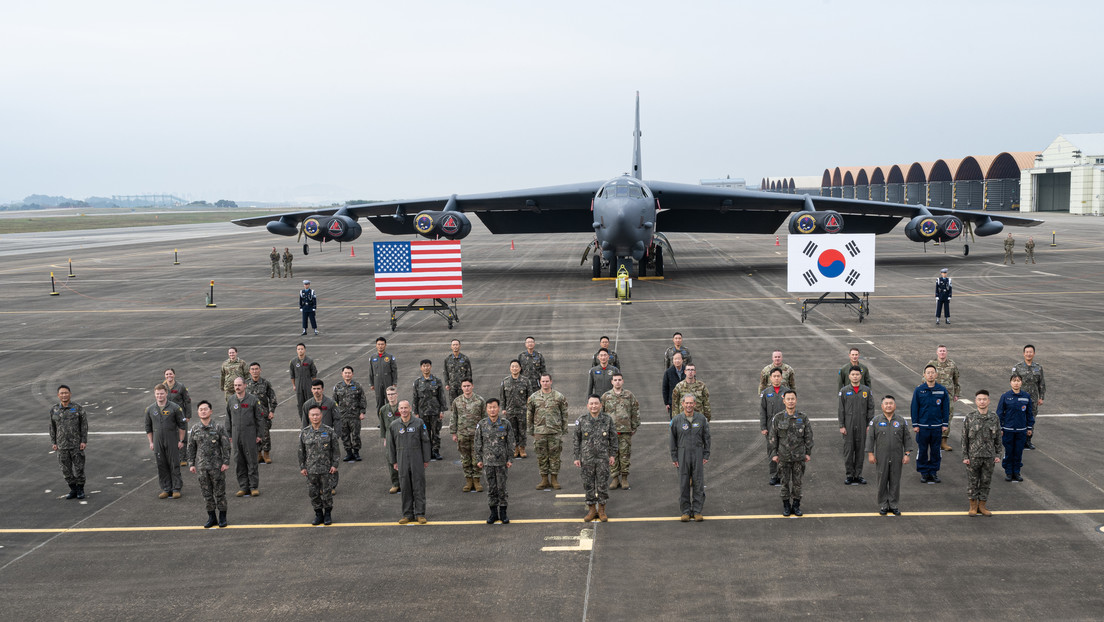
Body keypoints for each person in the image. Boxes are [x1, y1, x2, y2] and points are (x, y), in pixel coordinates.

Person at [866, 395, 914, 515]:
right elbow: (870, 439)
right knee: (882, 480)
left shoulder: (901, 421)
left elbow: (907, 439)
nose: (888, 406)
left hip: (897, 456)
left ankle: (893, 504)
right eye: (886, 403)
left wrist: (907, 454)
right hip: (881, 456)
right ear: (882, 406)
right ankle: (883, 504)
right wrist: (870, 454)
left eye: (891, 403)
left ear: (895, 405)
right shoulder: (875, 421)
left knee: (895, 480)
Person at [769, 390, 814, 517]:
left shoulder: (802, 417)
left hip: (799, 457)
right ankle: (786, 505)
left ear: (796, 400)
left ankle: (796, 505)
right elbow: (773, 438)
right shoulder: (778, 418)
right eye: (788, 399)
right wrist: (774, 454)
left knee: (797, 482)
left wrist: (808, 452)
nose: (790, 401)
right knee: (784, 482)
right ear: (784, 401)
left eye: (792, 399)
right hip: (783, 456)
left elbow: (808, 436)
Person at [187, 400, 230, 528]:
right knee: (206, 493)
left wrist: (226, 462)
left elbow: (226, 446)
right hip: (202, 467)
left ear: (210, 411)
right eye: (201, 409)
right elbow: (191, 447)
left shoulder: (218, 427)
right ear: (198, 412)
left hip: (217, 467)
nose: (203, 411)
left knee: (220, 492)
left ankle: (222, 516)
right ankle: (211, 517)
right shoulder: (195, 429)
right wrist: (191, 463)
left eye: (205, 409)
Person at [574, 395, 617, 522]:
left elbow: (613, 438)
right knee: (588, 485)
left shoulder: (607, 420)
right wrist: (576, 457)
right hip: (587, 459)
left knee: (602, 484)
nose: (594, 406)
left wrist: (612, 454)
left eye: (596, 403)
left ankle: (602, 510)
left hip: (603, 459)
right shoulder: (581, 420)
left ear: (600, 405)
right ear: (587, 406)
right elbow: (576, 439)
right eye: (591, 404)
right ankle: (592, 509)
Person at [388, 400, 431, 524]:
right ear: (399, 410)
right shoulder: (394, 425)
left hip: (416, 458)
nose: (403, 410)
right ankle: (407, 514)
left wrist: (426, 459)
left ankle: (420, 514)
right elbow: (390, 445)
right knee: (405, 486)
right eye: (401, 408)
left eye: (405, 408)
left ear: (410, 408)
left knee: (419, 486)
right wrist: (394, 461)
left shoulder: (419, 423)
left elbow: (426, 441)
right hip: (401, 459)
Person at [670, 394, 710, 522]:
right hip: (682, 454)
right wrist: (674, 457)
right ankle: (686, 511)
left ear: (695, 404)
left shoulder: (701, 419)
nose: (688, 405)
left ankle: (697, 511)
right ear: (682, 404)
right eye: (686, 403)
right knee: (684, 483)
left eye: (691, 403)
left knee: (698, 482)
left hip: (697, 453)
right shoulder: (676, 420)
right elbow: (672, 440)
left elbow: (707, 438)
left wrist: (706, 454)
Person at [962, 389, 1002, 517]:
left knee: (986, 482)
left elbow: (998, 438)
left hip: (989, 456)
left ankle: (982, 505)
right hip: (973, 456)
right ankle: (973, 506)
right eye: (979, 399)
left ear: (988, 401)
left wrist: (998, 454)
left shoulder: (994, 417)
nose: (982, 402)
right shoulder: (970, 418)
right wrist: (965, 456)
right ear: (976, 401)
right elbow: (964, 438)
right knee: (972, 482)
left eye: (984, 399)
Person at [475, 398, 515, 524]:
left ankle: (503, 513)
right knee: (491, 489)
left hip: (502, 462)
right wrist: (479, 459)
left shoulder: (505, 423)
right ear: (486, 409)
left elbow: (511, 442)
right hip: (487, 462)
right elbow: (477, 443)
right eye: (490, 407)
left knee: (502, 488)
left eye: (494, 407)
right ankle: (493, 513)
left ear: (498, 408)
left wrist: (510, 458)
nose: (492, 410)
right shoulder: (481, 424)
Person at [527, 373, 569, 491]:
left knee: (555, 456)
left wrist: (564, 428)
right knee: (541, 456)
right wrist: (530, 430)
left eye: (547, 381)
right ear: (540, 382)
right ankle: (544, 479)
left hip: (554, 431)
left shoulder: (559, 397)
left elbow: (564, 413)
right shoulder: (534, 397)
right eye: (543, 381)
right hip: (539, 432)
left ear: (551, 382)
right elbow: (529, 414)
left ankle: (554, 479)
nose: (545, 383)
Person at [144, 383, 187, 499]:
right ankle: (166, 488)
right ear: (154, 394)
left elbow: (182, 425)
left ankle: (176, 488)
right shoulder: (150, 409)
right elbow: (148, 427)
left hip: (172, 439)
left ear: (166, 393)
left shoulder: (175, 408)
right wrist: (151, 442)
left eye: (162, 393)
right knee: (161, 465)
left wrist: (181, 440)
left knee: (174, 464)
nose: (159, 396)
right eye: (157, 394)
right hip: (158, 441)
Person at [299, 405, 339, 526]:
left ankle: (327, 514)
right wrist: (302, 467)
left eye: (317, 414)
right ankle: (318, 514)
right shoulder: (305, 433)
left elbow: (335, 450)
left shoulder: (329, 431)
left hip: (326, 469)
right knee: (313, 493)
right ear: (309, 416)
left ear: (321, 416)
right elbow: (301, 451)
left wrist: (335, 465)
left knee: (327, 492)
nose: (315, 417)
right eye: (312, 415)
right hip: (311, 469)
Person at [911, 365, 950, 484]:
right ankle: (924, 472)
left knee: (935, 451)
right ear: (924, 375)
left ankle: (933, 472)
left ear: (936, 374)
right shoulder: (919, 390)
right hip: (922, 427)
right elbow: (914, 407)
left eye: (932, 372)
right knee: (922, 450)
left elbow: (946, 408)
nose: (930, 375)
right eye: (928, 373)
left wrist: (945, 423)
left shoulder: (942, 390)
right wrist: (915, 424)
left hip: (937, 427)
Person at [227, 377, 265, 497]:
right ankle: (243, 487)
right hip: (236, 434)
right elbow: (228, 418)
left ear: (244, 386)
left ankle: (253, 486)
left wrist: (259, 434)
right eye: (235, 385)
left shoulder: (253, 400)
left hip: (250, 434)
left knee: (252, 461)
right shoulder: (231, 400)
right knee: (239, 461)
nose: (237, 387)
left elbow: (259, 418)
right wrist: (229, 434)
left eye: (239, 385)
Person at [601, 372, 640, 490]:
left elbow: (635, 410)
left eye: (619, 380)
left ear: (622, 381)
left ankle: (624, 478)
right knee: (612, 455)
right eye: (615, 380)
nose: (617, 382)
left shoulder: (629, 395)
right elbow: (600, 413)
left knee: (624, 454)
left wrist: (634, 426)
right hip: (610, 432)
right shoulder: (606, 396)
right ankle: (614, 478)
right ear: (612, 382)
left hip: (625, 431)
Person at [50, 384, 88, 500]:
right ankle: (73, 489)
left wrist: (83, 440)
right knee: (65, 470)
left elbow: (84, 426)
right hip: (61, 445)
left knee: (79, 468)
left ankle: (80, 489)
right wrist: (54, 442)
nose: (64, 395)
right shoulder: (54, 410)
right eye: (62, 393)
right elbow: (52, 427)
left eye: (66, 393)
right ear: (58, 395)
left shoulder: (78, 408)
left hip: (76, 445)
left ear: (70, 394)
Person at [838, 366, 874, 485]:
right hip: (848, 424)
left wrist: (869, 424)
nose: (855, 376)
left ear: (861, 376)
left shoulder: (866, 390)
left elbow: (871, 408)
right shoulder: (844, 391)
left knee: (860, 451)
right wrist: (841, 425)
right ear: (849, 376)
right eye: (853, 374)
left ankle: (858, 475)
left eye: (857, 374)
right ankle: (849, 475)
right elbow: (841, 409)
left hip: (862, 424)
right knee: (848, 451)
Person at [997, 374, 1034, 483]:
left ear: (1021, 382)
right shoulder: (1005, 396)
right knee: (1009, 452)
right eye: (1014, 381)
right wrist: (1001, 428)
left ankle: (1016, 472)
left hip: (1021, 430)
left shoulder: (1026, 396)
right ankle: (1008, 472)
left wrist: (1029, 427)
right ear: (1010, 383)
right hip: (1008, 430)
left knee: (1018, 452)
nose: (1016, 383)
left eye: (1018, 381)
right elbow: (1000, 413)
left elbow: (1029, 413)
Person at [450, 380, 487, 493]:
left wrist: (484, 432)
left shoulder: (480, 400)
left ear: (472, 386)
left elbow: (484, 417)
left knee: (477, 458)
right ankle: (468, 481)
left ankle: (477, 480)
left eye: (468, 386)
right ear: (461, 387)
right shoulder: (457, 401)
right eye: (464, 386)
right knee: (465, 459)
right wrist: (453, 432)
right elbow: (454, 416)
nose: (466, 388)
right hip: (462, 434)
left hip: (476, 434)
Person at [412, 358, 447, 461]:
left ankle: (436, 451)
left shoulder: (437, 381)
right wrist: (416, 412)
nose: (426, 368)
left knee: (436, 433)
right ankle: (427, 452)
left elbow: (442, 397)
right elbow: (415, 398)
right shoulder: (417, 382)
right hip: (423, 413)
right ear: (421, 368)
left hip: (435, 412)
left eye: (427, 366)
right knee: (424, 433)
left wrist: (442, 410)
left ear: (430, 367)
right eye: (424, 366)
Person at [759, 367, 789, 486]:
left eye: (778, 376)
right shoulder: (766, 393)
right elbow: (762, 411)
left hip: (784, 426)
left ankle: (783, 475)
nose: (776, 378)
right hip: (770, 427)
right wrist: (763, 427)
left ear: (781, 377)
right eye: (774, 376)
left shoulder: (786, 392)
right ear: (770, 378)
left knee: (784, 451)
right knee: (772, 450)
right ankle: (774, 475)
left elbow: (791, 409)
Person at [927, 345, 961, 451]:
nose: (942, 353)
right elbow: (925, 378)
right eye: (940, 351)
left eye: (944, 351)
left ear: (946, 352)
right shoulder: (931, 364)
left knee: (947, 417)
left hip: (948, 396)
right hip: (934, 395)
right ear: (937, 353)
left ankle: (944, 442)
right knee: (933, 416)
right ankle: (933, 440)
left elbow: (956, 381)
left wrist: (956, 394)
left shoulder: (952, 364)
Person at [1013, 344, 1045, 449]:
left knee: (1031, 419)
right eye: (1027, 352)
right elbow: (1014, 382)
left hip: (1033, 398)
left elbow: (1042, 383)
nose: (1028, 354)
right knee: (1019, 418)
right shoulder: (1017, 367)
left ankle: (1028, 441)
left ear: (1034, 353)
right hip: (1020, 397)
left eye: (1030, 352)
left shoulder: (1038, 367)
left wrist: (1041, 397)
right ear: (1023, 353)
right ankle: (1018, 440)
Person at [333, 365, 367, 463]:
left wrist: (362, 412)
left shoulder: (357, 386)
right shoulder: (338, 387)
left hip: (355, 415)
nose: (347, 375)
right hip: (342, 416)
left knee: (356, 435)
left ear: (352, 374)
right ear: (342, 374)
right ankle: (348, 453)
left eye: (349, 373)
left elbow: (362, 400)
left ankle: (356, 452)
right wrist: (336, 414)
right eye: (345, 373)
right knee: (345, 435)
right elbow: (334, 401)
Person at [245, 362, 277, 464]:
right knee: (253, 435)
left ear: (260, 370)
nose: (255, 371)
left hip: (263, 414)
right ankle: (258, 454)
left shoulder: (265, 383)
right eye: (252, 369)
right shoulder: (246, 384)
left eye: (256, 369)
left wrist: (272, 411)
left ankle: (266, 454)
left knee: (265, 434)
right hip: (250, 415)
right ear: (249, 371)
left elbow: (272, 398)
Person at [500, 359, 532, 458]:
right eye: (512, 366)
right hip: (510, 411)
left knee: (522, 431)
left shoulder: (526, 381)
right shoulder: (505, 381)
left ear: (520, 368)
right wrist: (504, 408)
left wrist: (529, 408)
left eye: (516, 366)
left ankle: (522, 448)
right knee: (512, 431)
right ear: (510, 368)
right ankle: (515, 448)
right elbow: (502, 396)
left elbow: (530, 396)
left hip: (522, 410)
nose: (514, 368)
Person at [163, 368, 192, 467]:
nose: (169, 376)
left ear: (174, 375)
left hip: (180, 415)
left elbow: (187, 401)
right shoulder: (163, 387)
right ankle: (171, 457)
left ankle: (183, 458)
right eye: (167, 374)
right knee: (169, 436)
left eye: (170, 374)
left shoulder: (180, 386)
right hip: (167, 415)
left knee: (182, 436)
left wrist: (188, 415)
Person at [378, 386, 402, 494]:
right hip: (389, 437)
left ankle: (405, 482)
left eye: (392, 394)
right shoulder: (383, 409)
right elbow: (382, 425)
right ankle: (395, 484)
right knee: (391, 460)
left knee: (404, 459)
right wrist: (384, 438)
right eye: (388, 394)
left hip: (402, 436)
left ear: (397, 394)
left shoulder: (402, 407)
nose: (391, 396)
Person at [369, 336, 398, 411]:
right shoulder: (373, 357)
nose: (380, 346)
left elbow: (394, 370)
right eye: (378, 344)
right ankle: (381, 421)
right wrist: (371, 383)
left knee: (390, 401)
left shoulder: (390, 357)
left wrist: (394, 382)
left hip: (388, 381)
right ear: (376, 345)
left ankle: (391, 419)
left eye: (382, 344)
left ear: (385, 345)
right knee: (379, 402)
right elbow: (371, 371)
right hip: (377, 381)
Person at [289, 342, 318, 416]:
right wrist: (294, 385)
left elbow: (313, 373)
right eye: (298, 349)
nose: (300, 350)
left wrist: (314, 385)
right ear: (296, 350)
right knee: (300, 403)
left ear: (305, 350)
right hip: (298, 385)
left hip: (308, 384)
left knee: (310, 402)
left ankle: (311, 419)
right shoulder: (293, 362)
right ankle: (303, 421)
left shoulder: (309, 361)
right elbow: (292, 375)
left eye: (302, 349)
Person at [443, 339, 473, 406]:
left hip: (463, 387)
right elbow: (445, 372)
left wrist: (469, 384)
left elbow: (469, 372)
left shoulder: (465, 358)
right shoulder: (447, 359)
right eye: (454, 345)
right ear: (451, 346)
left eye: (457, 345)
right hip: (452, 387)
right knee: (454, 405)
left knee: (465, 405)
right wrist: (446, 383)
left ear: (459, 346)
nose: (455, 346)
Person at [662, 351, 686, 418]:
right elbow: (665, 388)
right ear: (672, 360)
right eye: (675, 359)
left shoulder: (687, 371)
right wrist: (666, 403)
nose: (677, 361)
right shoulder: (668, 372)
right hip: (673, 403)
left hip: (686, 402)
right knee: (675, 423)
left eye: (678, 359)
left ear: (682, 360)